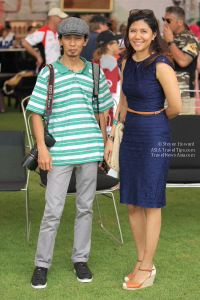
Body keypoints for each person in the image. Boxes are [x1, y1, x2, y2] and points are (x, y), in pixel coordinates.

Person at [27, 17, 113, 289]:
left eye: (78, 38)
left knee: (85, 209)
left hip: (89, 150)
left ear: (85, 41)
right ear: (60, 41)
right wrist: (42, 148)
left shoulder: (96, 72)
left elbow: (103, 112)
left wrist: (104, 144)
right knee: (52, 211)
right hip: (59, 153)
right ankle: (42, 265)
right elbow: (36, 114)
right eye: (68, 38)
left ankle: (80, 260)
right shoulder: (49, 72)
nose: (73, 43)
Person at [105, 9, 182, 290]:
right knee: (133, 202)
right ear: (128, 33)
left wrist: (153, 118)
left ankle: (148, 268)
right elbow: (123, 102)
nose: (137, 36)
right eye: (133, 31)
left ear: (153, 35)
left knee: (150, 201)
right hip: (131, 134)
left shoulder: (162, 64)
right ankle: (140, 261)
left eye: (143, 31)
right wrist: (113, 135)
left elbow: (175, 107)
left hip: (154, 135)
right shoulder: (126, 62)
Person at [93, 30, 122, 180]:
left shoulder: (98, 61)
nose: (119, 44)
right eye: (116, 42)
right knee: (112, 149)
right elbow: (108, 95)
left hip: (100, 113)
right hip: (110, 114)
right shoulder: (110, 62)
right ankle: (110, 180)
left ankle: (106, 178)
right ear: (109, 46)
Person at [163, 6, 199, 114]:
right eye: (163, 19)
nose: (165, 23)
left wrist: (170, 41)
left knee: (184, 129)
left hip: (184, 95)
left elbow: (183, 61)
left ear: (180, 22)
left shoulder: (191, 38)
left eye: (168, 20)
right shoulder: (164, 38)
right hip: (166, 93)